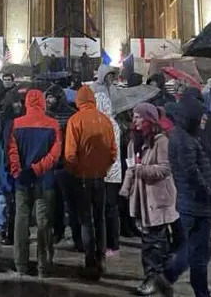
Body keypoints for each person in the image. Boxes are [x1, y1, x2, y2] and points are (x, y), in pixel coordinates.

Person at [120, 103, 178, 296]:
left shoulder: (161, 141)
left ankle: (154, 278)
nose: (134, 120)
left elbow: (165, 168)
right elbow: (130, 168)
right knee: (153, 239)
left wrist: (141, 170)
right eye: (133, 117)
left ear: (148, 119)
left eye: (137, 117)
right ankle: (160, 276)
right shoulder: (133, 142)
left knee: (153, 241)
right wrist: (126, 189)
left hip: (157, 199)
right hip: (141, 199)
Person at [164, 93, 211, 297]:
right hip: (196, 204)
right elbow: (192, 173)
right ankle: (197, 289)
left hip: (193, 203)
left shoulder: (186, 136)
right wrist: (210, 194)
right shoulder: (184, 140)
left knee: (196, 249)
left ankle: (170, 275)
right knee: (199, 253)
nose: (204, 119)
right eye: (201, 116)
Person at [64, 86, 117, 280]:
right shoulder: (105, 120)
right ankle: (101, 258)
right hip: (100, 177)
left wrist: (76, 172)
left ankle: (90, 261)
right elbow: (113, 152)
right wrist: (103, 168)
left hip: (83, 178)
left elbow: (70, 155)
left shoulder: (75, 121)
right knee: (100, 218)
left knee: (86, 220)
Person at [8, 89, 62, 277]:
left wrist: (19, 172)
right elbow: (54, 156)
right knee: (43, 223)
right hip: (44, 181)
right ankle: (43, 265)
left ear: (27, 103)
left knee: (21, 220)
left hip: (22, 181)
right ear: (43, 103)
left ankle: (21, 264)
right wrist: (37, 170)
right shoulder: (53, 124)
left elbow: (12, 152)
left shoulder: (16, 124)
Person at [91, 64, 122, 256]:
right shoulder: (113, 123)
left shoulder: (105, 124)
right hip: (112, 170)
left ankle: (110, 243)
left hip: (106, 170)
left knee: (106, 208)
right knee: (109, 208)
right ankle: (111, 243)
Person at [45, 84, 80, 247]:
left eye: (50, 97)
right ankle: (57, 232)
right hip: (52, 165)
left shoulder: (72, 115)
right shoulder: (46, 116)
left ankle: (77, 236)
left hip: (68, 165)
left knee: (73, 204)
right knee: (55, 203)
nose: (47, 100)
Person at [0, 89, 24, 246]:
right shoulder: (4, 120)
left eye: (20, 101)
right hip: (5, 165)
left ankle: (10, 231)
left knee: (12, 201)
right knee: (4, 200)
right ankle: (0, 230)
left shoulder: (20, 120)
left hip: (15, 164)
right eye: (15, 102)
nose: (18, 105)